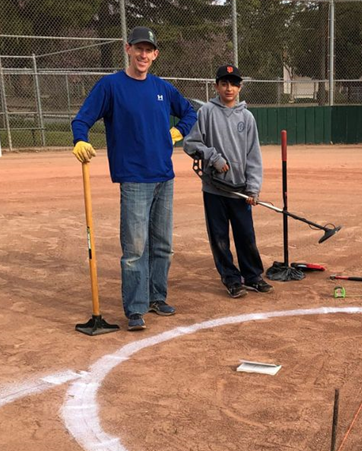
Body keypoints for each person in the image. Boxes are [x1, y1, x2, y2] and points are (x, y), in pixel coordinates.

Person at [71, 26, 197, 330]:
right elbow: (83, 118)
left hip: (164, 177)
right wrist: (80, 139)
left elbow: (190, 112)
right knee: (135, 248)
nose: (143, 54)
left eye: (148, 50)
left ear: (155, 54)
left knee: (163, 244)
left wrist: (178, 132)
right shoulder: (111, 86)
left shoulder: (163, 88)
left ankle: (157, 296)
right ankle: (136, 308)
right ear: (128, 49)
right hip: (134, 178)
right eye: (138, 48)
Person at [183, 64, 273, 298]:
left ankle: (252, 276)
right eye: (224, 83)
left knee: (246, 234)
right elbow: (190, 143)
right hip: (214, 190)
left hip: (240, 189)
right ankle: (231, 279)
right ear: (217, 86)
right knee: (219, 237)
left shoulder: (247, 117)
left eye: (233, 84)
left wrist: (253, 187)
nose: (229, 88)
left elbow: (253, 155)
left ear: (240, 87)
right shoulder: (206, 113)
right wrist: (212, 157)